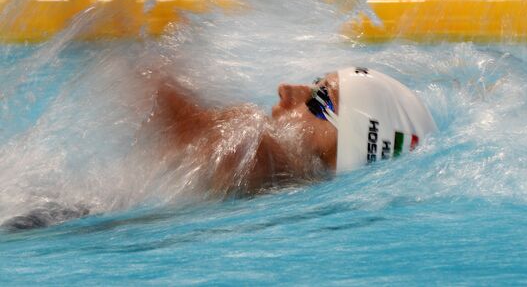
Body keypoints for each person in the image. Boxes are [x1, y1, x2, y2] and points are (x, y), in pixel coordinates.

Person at [146, 67, 436, 196]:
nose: (287, 90)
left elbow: (152, 86)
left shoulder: (250, 146)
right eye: (313, 83)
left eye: (319, 99)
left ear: (354, 143)